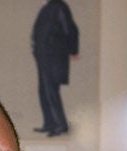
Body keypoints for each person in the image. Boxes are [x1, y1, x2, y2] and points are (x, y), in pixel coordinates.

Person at [32, 0, 78, 136]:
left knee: (51, 89)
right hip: (43, 56)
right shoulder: (48, 7)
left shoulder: (59, 7)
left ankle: (61, 124)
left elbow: (70, 30)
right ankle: (49, 123)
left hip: (53, 57)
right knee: (43, 90)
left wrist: (73, 51)